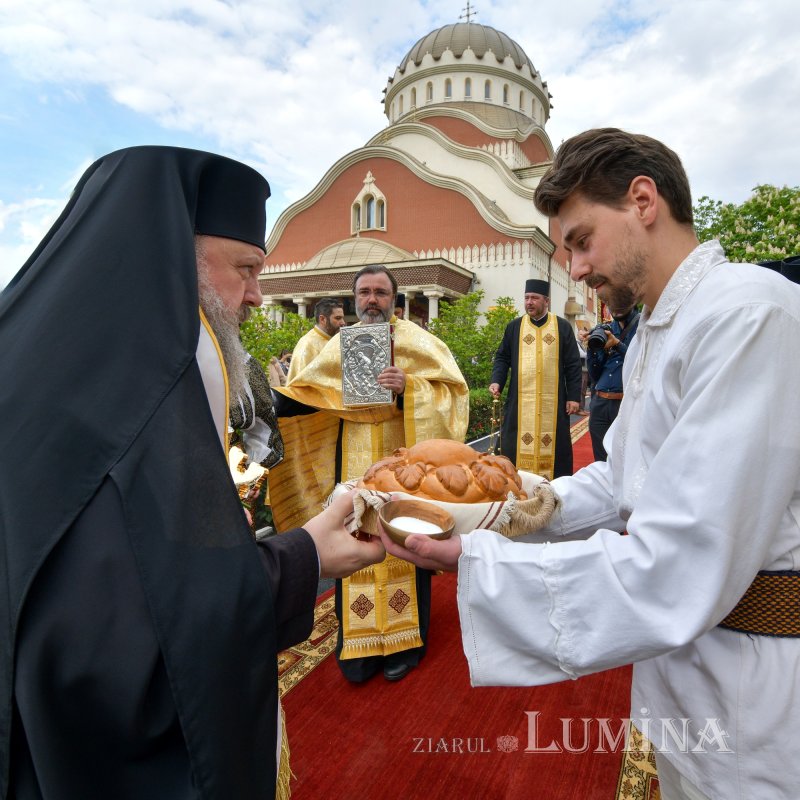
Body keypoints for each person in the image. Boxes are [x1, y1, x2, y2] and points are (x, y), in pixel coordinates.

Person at [378, 128, 800, 800]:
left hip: (756, 682)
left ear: (642, 200)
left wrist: (479, 562)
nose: (572, 267)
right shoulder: (659, 328)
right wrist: (519, 510)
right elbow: (626, 476)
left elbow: (683, 561)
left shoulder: (746, 314)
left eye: (579, 239)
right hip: (685, 667)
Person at [0, 146, 384, 799]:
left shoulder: (35, 341)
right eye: (246, 268)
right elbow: (167, 618)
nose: (259, 294)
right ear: (171, 250)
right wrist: (306, 556)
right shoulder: (170, 371)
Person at [273, 265, 468, 682]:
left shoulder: (418, 342)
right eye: (364, 292)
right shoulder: (340, 345)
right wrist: (269, 406)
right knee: (355, 537)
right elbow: (309, 392)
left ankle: (406, 643)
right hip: (354, 459)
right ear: (354, 298)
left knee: (404, 538)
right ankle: (359, 647)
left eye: (381, 292)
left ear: (395, 299)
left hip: (403, 460)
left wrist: (409, 388)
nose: (372, 300)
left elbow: (453, 393)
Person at [489, 279, 582, 478]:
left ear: (546, 301)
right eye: (526, 298)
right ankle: (515, 485)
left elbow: (573, 364)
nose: (529, 302)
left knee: (556, 446)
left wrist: (574, 396)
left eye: (534, 298)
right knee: (512, 445)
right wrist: (497, 380)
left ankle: (555, 488)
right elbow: (502, 357)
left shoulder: (562, 327)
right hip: (520, 402)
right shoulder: (515, 327)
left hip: (553, 402)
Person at [584, 303, 639, 460]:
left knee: (626, 459)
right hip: (600, 403)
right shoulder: (605, 330)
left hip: (626, 403)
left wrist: (617, 345)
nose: (615, 307)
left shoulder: (643, 329)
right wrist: (593, 350)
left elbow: (642, 362)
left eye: (619, 301)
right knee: (601, 458)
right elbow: (595, 374)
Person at [285, 297, 346, 381]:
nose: (343, 322)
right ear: (322, 319)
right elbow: (300, 384)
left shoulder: (336, 340)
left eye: (342, 318)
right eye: (338, 318)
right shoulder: (306, 345)